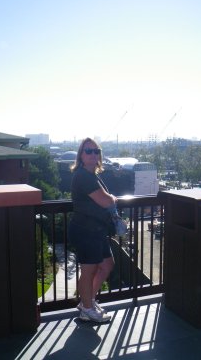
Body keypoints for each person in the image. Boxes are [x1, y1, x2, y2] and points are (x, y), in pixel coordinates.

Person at [68, 137, 116, 323]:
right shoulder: (83, 176)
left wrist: (109, 198)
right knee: (88, 271)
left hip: (97, 230)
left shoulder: (91, 175)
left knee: (107, 265)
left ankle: (87, 301)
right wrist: (111, 198)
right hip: (85, 231)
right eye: (88, 151)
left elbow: (103, 200)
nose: (93, 154)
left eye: (96, 151)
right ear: (81, 155)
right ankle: (87, 309)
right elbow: (105, 201)